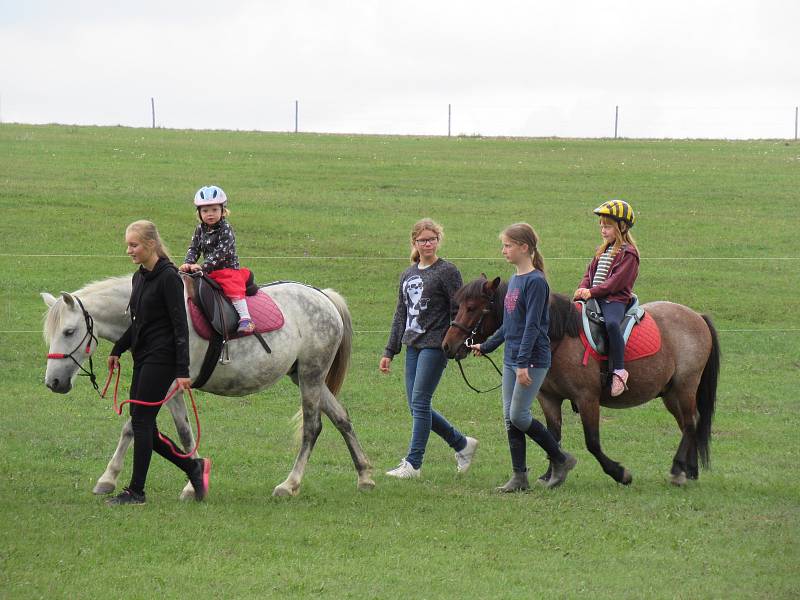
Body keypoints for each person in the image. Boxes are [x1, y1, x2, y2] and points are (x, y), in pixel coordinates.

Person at [106, 220, 211, 505]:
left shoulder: (168, 278)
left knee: (142, 423)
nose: (129, 250)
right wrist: (118, 348)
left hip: (162, 359)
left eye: (134, 245)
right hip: (143, 357)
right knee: (144, 426)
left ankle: (136, 492)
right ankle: (193, 467)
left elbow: (180, 327)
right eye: (128, 244)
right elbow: (138, 322)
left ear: (151, 245)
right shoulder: (139, 277)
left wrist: (182, 371)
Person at [469, 223, 576, 492]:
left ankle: (561, 459)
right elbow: (510, 324)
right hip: (513, 357)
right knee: (509, 416)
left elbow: (532, 326)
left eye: (508, 245)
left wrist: (523, 363)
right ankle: (519, 477)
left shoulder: (536, 282)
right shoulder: (515, 279)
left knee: (518, 414)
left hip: (532, 359)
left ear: (524, 248)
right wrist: (488, 345)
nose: (503, 250)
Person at [380, 218, 478, 479]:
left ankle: (413, 464)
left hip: (436, 344)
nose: (428, 244)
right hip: (412, 344)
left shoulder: (447, 271)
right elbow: (401, 313)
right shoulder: (408, 274)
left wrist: (459, 343)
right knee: (416, 405)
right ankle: (462, 444)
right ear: (414, 242)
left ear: (438, 240)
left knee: (420, 401)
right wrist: (389, 351)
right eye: (423, 240)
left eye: (432, 239)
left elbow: (459, 310)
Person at [573, 200, 640, 397]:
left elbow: (616, 283)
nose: (603, 230)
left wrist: (592, 292)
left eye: (608, 226)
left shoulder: (629, 254)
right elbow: (589, 274)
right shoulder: (602, 250)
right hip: (595, 297)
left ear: (622, 227)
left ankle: (619, 370)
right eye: (601, 225)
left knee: (611, 324)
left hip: (614, 300)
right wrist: (583, 288)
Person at [179, 185, 254, 335]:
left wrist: (203, 266)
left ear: (223, 210)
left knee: (232, 287)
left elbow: (221, 252)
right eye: (205, 211)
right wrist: (188, 262)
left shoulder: (226, 229)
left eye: (214, 210)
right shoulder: (200, 229)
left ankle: (246, 318)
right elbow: (194, 248)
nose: (210, 214)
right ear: (199, 213)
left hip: (226, 269)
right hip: (208, 271)